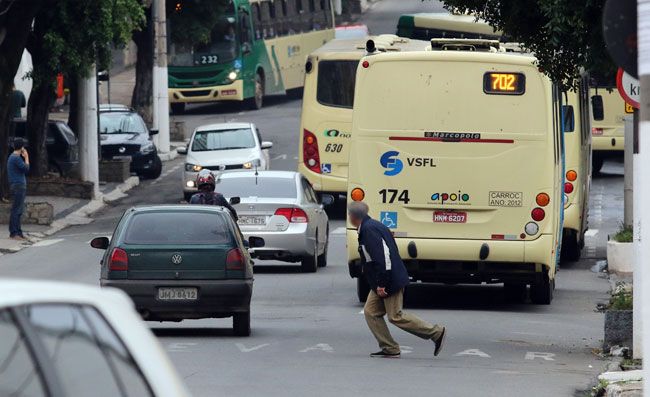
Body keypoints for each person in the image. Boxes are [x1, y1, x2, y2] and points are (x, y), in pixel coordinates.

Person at [348, 201, 446, 359]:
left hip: (388, 280)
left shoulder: (369, 229)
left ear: (352, 217)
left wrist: (382, 283)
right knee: (371, 312)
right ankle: (390, 347)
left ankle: (436, 332)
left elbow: (383, 258)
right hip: (382, 279)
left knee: (395, 316)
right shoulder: (371, 226)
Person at [7, 138, 30, 240]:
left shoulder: (13, 157)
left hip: (17, 186)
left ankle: (18, 232)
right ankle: (14, 233)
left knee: (18, 210)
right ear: (21, 148)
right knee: (16, 210)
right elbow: (26, 169)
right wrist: (26, 157)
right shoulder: (16, 158)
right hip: (18, 186)